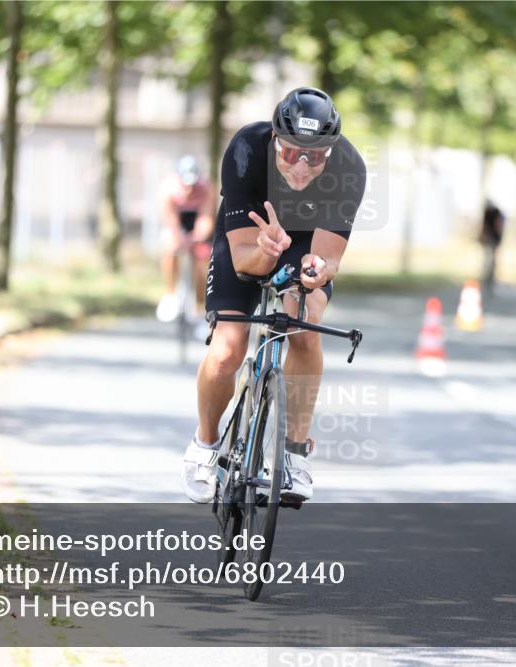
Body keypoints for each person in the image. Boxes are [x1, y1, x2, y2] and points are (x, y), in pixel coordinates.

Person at [181, 87, 367, 504]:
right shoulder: (246, 149)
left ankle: (294, 454)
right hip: (250, 238)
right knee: (228, 349)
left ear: (331, 153)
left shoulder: (350, 168)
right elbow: (245, 261)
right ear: (274, 142)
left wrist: (316, 272)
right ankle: (205, 444)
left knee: (305, 324)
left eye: (315, 156)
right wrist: (265, 252)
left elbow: (328, 258)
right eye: (290, 154)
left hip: (306, 241)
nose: (302, 166)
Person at [155, 156, 215, 323]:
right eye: (185, 183)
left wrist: (198, 237)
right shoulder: (168, 188)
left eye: (192, 184)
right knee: (170, 248)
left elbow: (206, 218)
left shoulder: (206, 189)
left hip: (196, 220)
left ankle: (199, 304)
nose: (189, 188)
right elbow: (169, 220)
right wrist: (179, 238)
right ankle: (170, 294)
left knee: (203, 257)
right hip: (177, 222)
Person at [479, 201, 505, 296]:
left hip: (492, 239)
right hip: (490, 239)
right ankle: (487, 278)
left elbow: (497, 225)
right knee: (489, 261)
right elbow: (495, 225)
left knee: (490, 261)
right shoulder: (490, 212)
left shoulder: (493, 212)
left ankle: (489, 278)